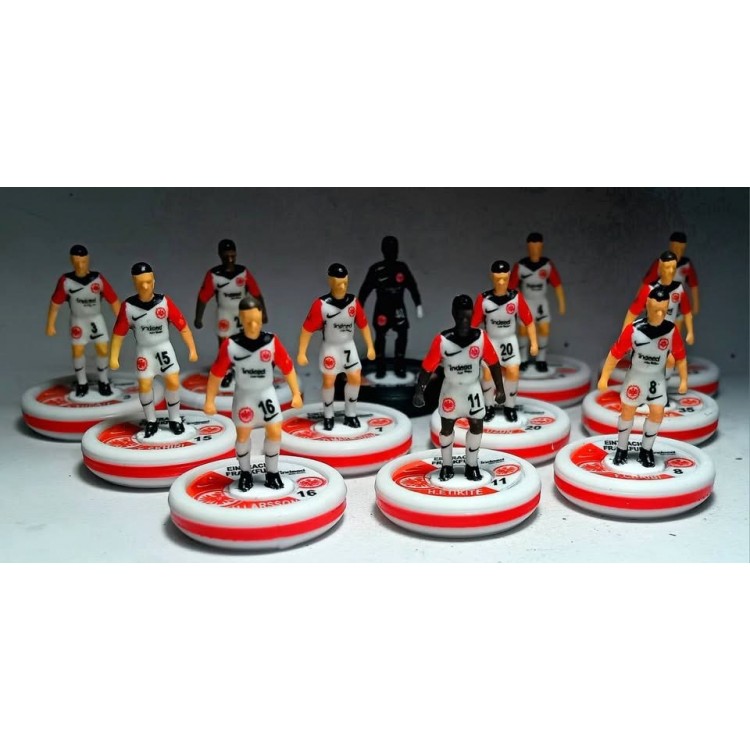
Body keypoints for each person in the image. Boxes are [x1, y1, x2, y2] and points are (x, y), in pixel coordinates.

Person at [204, 297, 302, 492]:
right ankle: (245, 473)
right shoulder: (231, 345)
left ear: (261, 318)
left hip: (266, 393)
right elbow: (216, 373)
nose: (253, 326)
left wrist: (296, 393)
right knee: (243, 436)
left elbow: (287, 366)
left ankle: (272, 473)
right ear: (240, 319)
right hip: (245, 396)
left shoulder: (271, 341)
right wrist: (209, 400)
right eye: (248, 322)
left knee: (275, 431)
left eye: (257, 321)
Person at [413, 294, 506, 481]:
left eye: (467, 316)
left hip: (472, 390)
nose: (464, 321)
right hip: (451, 391)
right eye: (460, 316)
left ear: (472, 315)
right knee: (447, 428)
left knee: (477, 425)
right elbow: (428, 367)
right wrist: (419, 391)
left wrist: (500, 388)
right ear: (454, 314)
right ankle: (447, 465)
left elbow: (494, 363)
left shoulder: (480, 338)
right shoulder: (442, 340)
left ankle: (471, 464)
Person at [598, 287, 688, 467]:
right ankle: (621, 449)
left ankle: (646, 450)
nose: (660, 314)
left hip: (657, 380)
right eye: (656, 310)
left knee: (657, 413)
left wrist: (684, 380)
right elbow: (615, 354)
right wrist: (604, 377)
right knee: (627, 411)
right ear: (647, 305)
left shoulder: (671, 330)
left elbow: (680, 356)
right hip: (636, 379)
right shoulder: (634, 329)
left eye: (664, 310)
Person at [110, 262, 198, 437]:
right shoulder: (128, 307)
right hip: (144, 351)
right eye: (140, 283)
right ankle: (151, 421)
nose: (145, 286)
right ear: (134, 283)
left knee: (173, 381)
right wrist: (114, 357)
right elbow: (118, 334)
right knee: (144, 385)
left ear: (154, 281)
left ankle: (175, 419)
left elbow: (183, 326)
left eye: (148, 282)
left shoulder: (164, 302)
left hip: (163, 347)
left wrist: (192, 349)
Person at [298, 263, 376, 430]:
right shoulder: (321, 304)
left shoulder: (353, 302)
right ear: (330, 282)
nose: (342, 287)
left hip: (348, 346)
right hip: (331, 348)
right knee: (329, 380)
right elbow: (307, 329)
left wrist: (370, 346)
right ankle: (328, 415)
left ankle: (350, 414)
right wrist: (302, 352)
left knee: (355, 377)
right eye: (338, 283)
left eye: (345, 283)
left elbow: (363, 325)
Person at [46, 245, 121, 397]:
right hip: (78, 321)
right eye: (77, 262)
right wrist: (50, 324)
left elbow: (113, 300)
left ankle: (103, 381)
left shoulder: (98, 280)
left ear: (88, 260)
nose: (80, 265)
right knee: (78, 351)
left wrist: (121, 321)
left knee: (103, 349)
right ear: (71, 261)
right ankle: (82, 383)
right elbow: (55, 304)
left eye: (83, 262)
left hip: (96, 319)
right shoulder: (66, 282)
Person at [194, 239, 267, 387]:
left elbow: (256, 293)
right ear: (220, 255)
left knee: (247, 339)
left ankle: (246, 369)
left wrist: (263, 313)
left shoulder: (243, 272)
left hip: (242, 313)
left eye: (232, 255)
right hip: (224, 313)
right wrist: (198, 318)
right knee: (224, 343)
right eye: (226, 256)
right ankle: (226, 371)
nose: (230, 259)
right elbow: (203, 297)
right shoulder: (214, 275)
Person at [472, 260, 538, 422]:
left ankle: (510, 406)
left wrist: (534, 342)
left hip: (509, 340)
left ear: (509, 276)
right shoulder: (483, 299)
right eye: (497, 279)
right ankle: (488, 405)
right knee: (487, 373)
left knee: (513, 371)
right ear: (491, 277)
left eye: (504, 279)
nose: (501, 282)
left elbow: (528, 320)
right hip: (491, 341)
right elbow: (473, 325)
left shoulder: (515, 297)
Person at [358, 235, 423, 378]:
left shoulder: (401, 268)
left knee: (403, 333)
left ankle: (400, 366)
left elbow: (412, 286)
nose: (392, 252)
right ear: (383, 250)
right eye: (389, 249)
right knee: (380, 336)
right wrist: (359, 307)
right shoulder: (376, 269)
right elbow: (365, 290)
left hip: (398, 308)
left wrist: (418, 304)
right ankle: (380, 367)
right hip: (382, 309)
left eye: (394, 249)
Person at [509, 232, 565, 371]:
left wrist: (561, 303)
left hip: (541, 303)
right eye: (532, 247)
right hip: (526, 303)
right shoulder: (520, 266)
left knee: (544, 329)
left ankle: (541, 359)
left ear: (542, 247)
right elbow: (510, 288)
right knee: (523, 330)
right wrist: (509, 307)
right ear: (528, 247)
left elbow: (557, 285)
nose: (535, 250)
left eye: (538, 247)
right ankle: (523, 359)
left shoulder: (547, 265)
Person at [624, 250, 695, 344]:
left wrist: (690, 332)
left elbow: (687, 311)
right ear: (660, 268)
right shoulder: (649, 289)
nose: (671, 271)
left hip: (668, 336)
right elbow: (632, 312)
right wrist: (624, 335)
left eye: (674, 268)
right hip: (650, 335)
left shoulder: (678, 289)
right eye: (667, 267)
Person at [642, 231, 699, 316]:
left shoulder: (686, 265)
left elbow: (694, 285)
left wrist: (695, 306)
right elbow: (646, 283)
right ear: (670, 246)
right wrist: (640, 302)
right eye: (675, 248)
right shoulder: (660, 264)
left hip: (677, 304)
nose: (678, 252)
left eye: (681, 249)